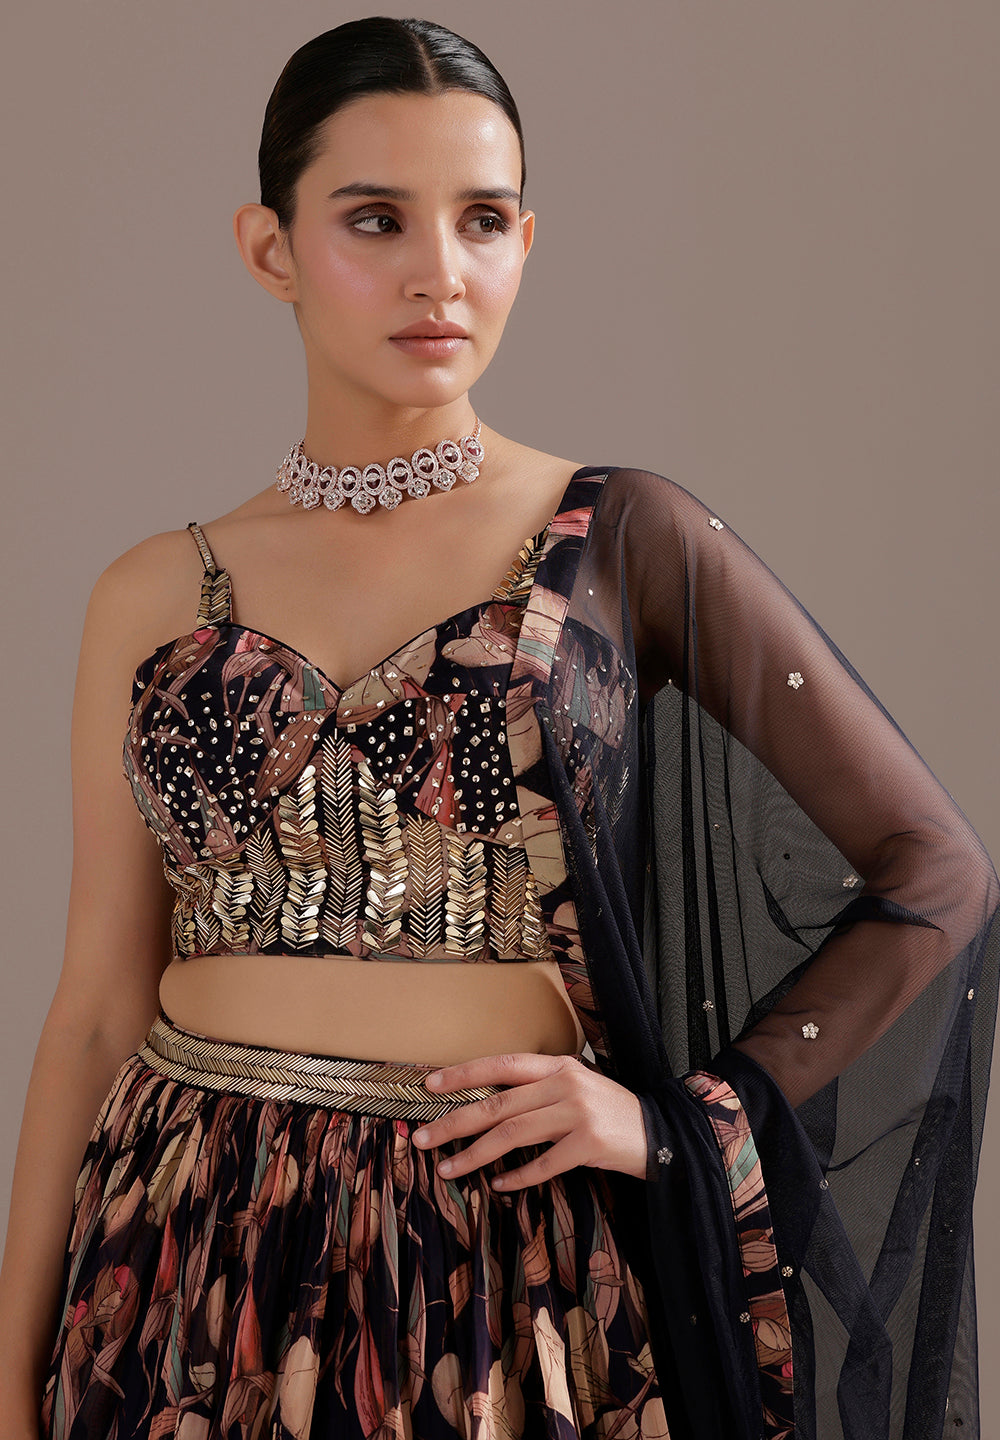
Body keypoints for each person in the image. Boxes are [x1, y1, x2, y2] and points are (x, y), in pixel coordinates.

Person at [0, 14, 996, 1439]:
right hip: (183, 1250)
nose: (439, 272)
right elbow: (98, 1006)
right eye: (375, 220)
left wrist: (681, 1123)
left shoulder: (620, 537)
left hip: (495, 1255)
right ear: (271, 249)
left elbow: (936, 872)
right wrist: (8, 1373)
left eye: (480, 220)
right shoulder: (153, 593)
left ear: (526, 240)